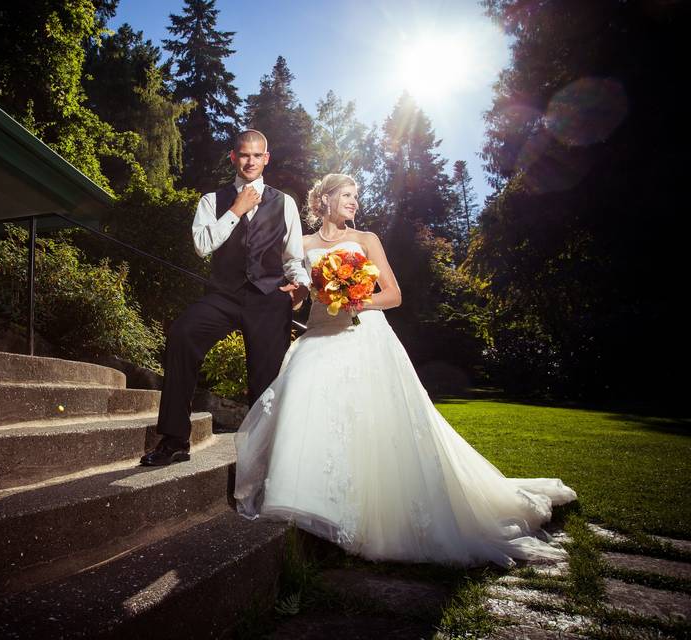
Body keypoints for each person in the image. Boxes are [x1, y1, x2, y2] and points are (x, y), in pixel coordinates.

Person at [233, 173, 577, 566]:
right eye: (347, 195)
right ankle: (309, 501)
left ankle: (364, 512)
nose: (354, 202)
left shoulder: (366, 241)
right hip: (318, 336)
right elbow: (297, 298)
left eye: (356, 196)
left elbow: (393, 294)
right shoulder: (303, 245)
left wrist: (356, 299)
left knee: (371, 424)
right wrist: (295, 295)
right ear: (324, 200)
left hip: (364, 336)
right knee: (305, 409)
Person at [140, 130, 310, 466]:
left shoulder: (284, 202)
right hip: (224, 295)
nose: (250, 161)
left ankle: (264, 456)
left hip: (268, 297)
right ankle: (175, 440)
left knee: (265, 379)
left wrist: (301, 284)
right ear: (233, 157)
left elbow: (294, 258)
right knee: (182, 334)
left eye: (256, 155)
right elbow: (203, 246)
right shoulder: (211, 200)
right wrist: (235, 209)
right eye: (244, 155)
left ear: (266, 158)